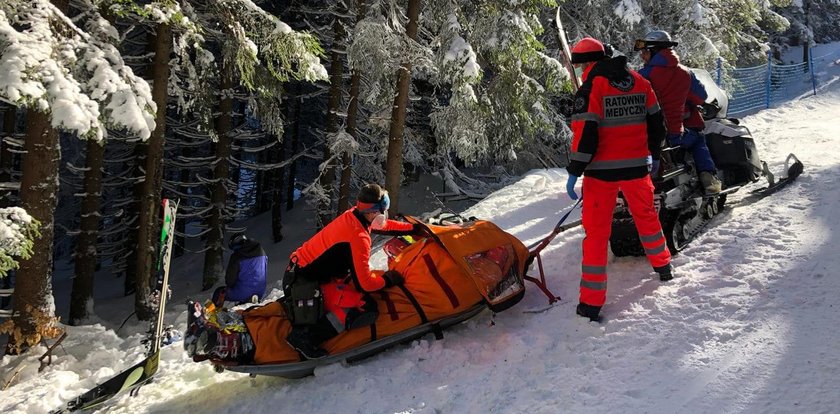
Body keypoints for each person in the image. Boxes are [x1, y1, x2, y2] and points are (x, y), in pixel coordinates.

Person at [565, 37, 674, 322]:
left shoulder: (591, 88)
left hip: (601, 174)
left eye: (579, 67)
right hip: (637, 168)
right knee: (647, 218)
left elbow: (585, 134)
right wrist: (654, 154)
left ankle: (591, 304)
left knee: (597, 235)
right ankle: (663, 267)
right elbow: (656, 124)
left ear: (586, 64)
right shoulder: (639, 81)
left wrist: (575, 169)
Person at [284, 183, 425, 358]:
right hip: (304, 284)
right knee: (365, 306)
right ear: (373, 212)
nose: (385, 213)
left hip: (299, 271)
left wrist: (414, 228)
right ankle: (306, 338)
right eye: (383, 209)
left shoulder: (354, 215)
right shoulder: (358, 237)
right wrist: (388, 279)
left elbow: (384, 225)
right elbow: (364, 284)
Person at [634, 30, 722, 194]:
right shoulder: (685, 73)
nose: (642, 56)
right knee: (698, 138)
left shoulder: (642, 75)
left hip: (650, 135)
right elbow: (701, 96)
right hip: (675, 134)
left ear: (655, 51)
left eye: (645, 52)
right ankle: (708, 177)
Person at [212, 233, 268, 308]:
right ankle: (247, 301)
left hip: (243, 291)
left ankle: (212, 316)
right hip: (261, 290)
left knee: (219, 292)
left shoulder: (237, 256)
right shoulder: (261, 251)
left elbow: (229, 280)